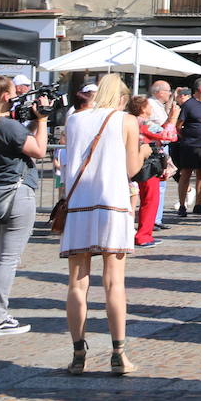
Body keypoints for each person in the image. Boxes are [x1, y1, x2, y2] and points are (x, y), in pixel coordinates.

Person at [60, 73, 144, 375]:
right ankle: (118, 353)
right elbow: (131, 169)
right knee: (114, 281)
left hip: (80, 202)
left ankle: (78, 353)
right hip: (113, 203)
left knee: (77, 282)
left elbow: (68, 161)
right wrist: (144, 152)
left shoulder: (75, 119)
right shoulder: (126, 120)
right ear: (121, 97)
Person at [0, 73, 47, 335]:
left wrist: (33, 121)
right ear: (5, 96)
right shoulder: (9, 126)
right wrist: (44, 120)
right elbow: (38, 150)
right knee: (8, 259)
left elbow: (23, 143)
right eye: (14, 92)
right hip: (16, 193)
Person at [128, 95, 174, 248]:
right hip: (148, 165)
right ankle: (143, 235)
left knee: (142, 198)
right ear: (143, 108)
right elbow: (169, 136)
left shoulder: (132, 121)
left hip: (135, 163)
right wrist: (173, 118)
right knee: (150, 200)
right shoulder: (145, 123)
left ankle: (140, 233)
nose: (151, 108)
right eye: (148, 105)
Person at [174, 75, 201, 218]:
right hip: (190, 145)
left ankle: (198, 204)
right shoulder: (188, 105)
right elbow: (178, 125)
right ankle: (182, 205)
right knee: (186, 174)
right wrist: (185, 136)